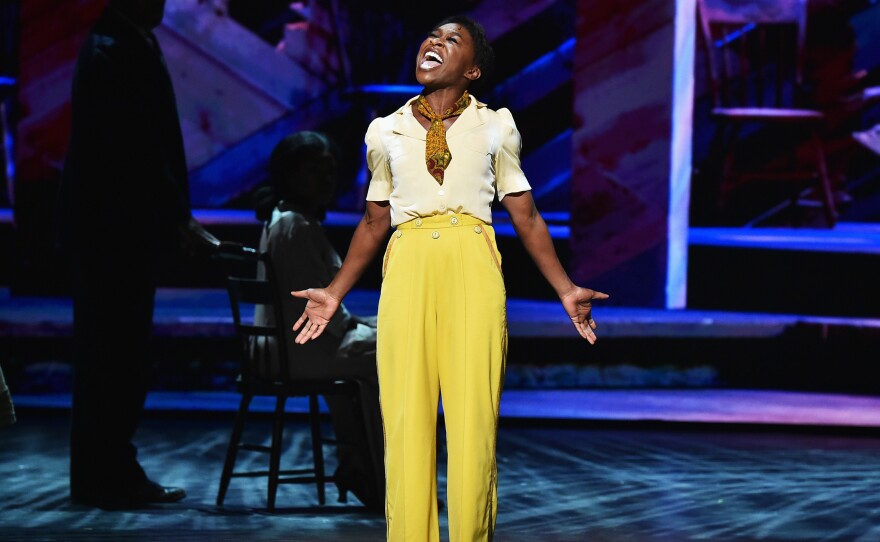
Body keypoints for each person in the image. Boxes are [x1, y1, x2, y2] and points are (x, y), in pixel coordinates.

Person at [291, 15, 609, 542]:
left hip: (472, 263)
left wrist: (565, 288)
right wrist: (333, 292)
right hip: (408, 265)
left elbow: (525, 215)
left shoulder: (495, 126)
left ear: (473, 70)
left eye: (451, 40)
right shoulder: (385, 130)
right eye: (432, 36)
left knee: (472, 428)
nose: (434, 43)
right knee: (406, 427)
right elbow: (375, 221)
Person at [57, 0, 218, 508]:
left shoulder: (122, 42)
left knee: (113, 354)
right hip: (113, 232)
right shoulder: (116, 49)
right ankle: (108, 474)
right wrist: (176, 215)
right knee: (115, 356)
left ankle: (102, 471)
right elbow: (137, 149)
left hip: (115, 229)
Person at [252, 131, 384, 511]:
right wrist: (373, 328)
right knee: (396, 351)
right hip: (299, 348)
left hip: (298, 342)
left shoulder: (291, 221)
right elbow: (316, 309)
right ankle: (373, 470)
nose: (326, 181)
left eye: (331, 172)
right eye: (316, 172)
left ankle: (363, 464)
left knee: (382, 343)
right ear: (290, 174)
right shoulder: (294, 227)